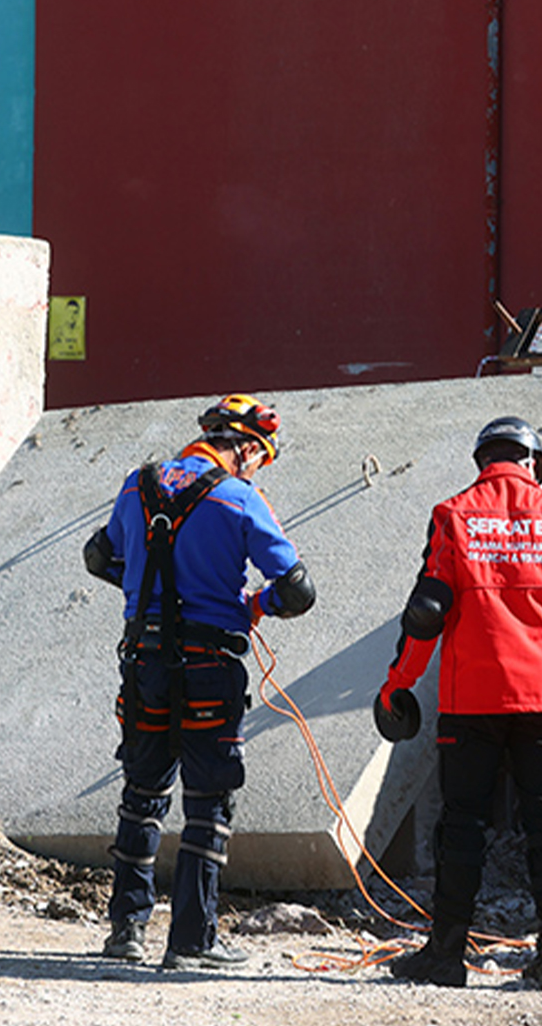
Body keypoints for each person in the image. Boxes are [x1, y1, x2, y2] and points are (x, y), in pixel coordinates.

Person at [373, 416, 542, 991]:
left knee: (461, 825)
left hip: (473, 701)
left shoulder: (455, 513)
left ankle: (445, 955)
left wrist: (397, 685)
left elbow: (426, 613)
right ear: (532, 462)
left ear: (483, 462)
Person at [84, 394, 316, 969]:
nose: (256, 467)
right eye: (258, 457)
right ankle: (191, 941)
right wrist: (253, 603)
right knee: (208, 805)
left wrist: (146, 591)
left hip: (143, 662)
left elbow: (98, 556)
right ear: (242, 446)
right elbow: (297, 591)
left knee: (142, 795)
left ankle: (126, 932)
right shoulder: (239, 496)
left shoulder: (137, 484)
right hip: (209, 663)